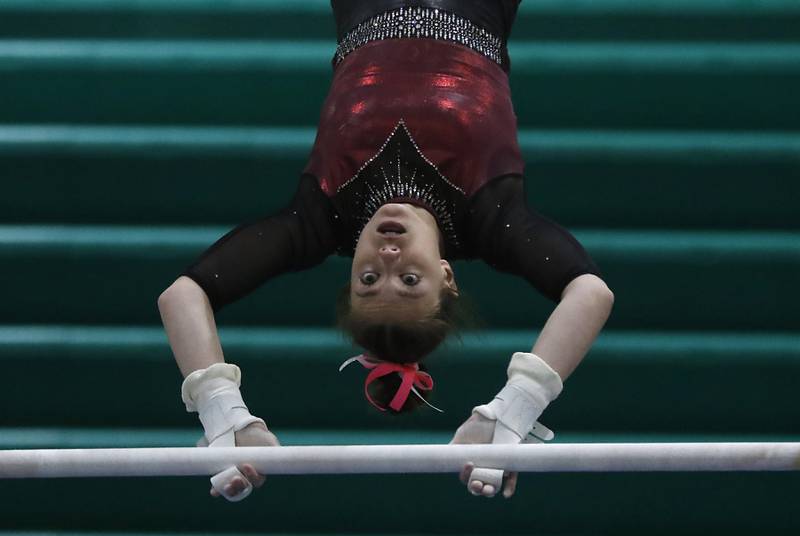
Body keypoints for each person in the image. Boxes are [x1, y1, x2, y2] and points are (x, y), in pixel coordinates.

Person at [158, 0, 614, 502]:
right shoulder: (493, 222)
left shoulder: (319, 220)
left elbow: (182, 295)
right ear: (447, 276)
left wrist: (221, 411)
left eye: (369, 280)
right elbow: (590, 292)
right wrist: (515, 407)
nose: (388, 259)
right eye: (410, 282)